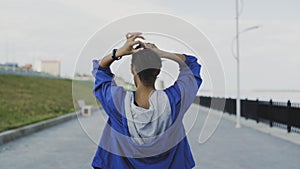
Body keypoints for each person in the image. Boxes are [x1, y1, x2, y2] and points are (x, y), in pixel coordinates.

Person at [91, 32, 202, 169]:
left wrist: (118, 53)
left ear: (133, 69)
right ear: (158, 71)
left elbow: (100, 70)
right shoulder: (175, 100)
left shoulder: (117, 102)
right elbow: (191, 65)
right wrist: (162, 53)